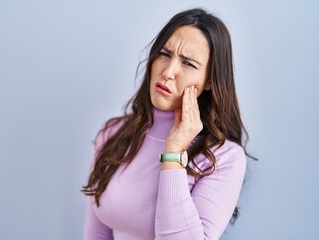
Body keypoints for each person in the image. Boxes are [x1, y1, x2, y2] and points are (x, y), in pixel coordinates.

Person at [82, 8, 254, 240]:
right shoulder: (113, 133)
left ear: (210, 80)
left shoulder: (224, 157)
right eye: (164, 53)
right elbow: (96, 234)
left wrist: (173, 153)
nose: (168, 72)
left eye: (188, 64)